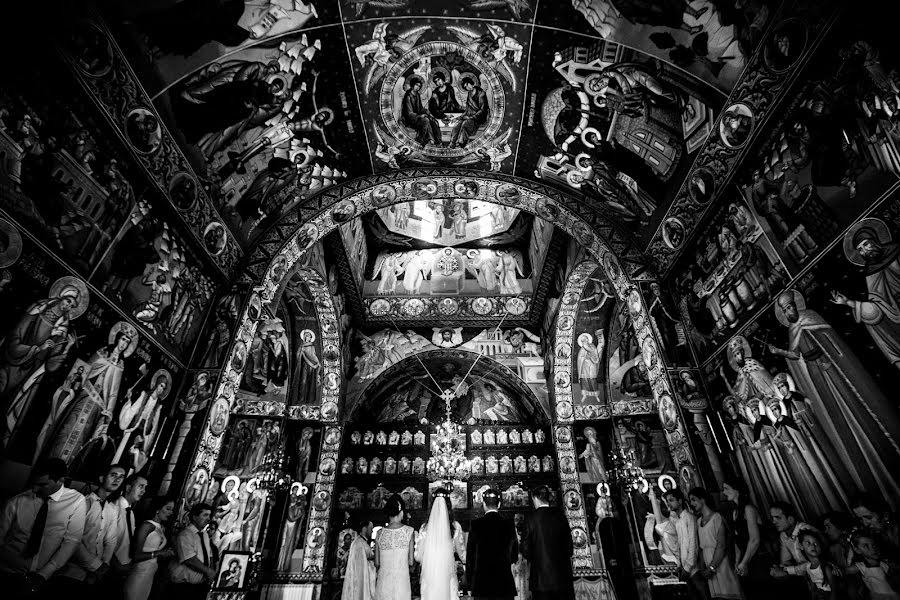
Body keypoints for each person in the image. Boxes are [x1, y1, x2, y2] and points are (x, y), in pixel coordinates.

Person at [0, 458, 87, 597]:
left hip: (41, 576)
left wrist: (44, 574)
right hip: (7, 570)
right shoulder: (17, 501)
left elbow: (71, 541)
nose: (34, 489)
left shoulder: (76, 501)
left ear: (60, 480)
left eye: (42, 485)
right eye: (34, 484)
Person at [58, 464, 126, 589]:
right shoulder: (84, 502)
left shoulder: (113, 509)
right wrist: (96, 566)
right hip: (73, 570)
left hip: (95, 575)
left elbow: (110, 540)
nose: (117, 480)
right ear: (101, 478)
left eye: (121, 477)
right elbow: (74, 539)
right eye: (113, 475)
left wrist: (104, 563)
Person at [521, 485, 574, 600]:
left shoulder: (530, 519)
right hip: (562, 577)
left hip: (540, 579)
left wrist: (536, 559)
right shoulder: (560, 516)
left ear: (535, 499)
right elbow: (570, 547)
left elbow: (525, 550)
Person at [689, 488, 744, 599]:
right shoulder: (699, 521)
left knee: (728, 594)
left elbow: (721, 545)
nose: (691, 503)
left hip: (720, 563)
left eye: (693, 500)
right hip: (708, 563)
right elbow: (701, 547)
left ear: (702, 499)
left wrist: (712, 568)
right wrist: (705, 567)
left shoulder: (716, 517)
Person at [466, 488, 517, 600]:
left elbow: (470, 557)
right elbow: (514, 555)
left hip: (481, 584)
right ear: (498, 504)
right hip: (504, 583)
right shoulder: (509, 525)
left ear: (484, 504)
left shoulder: (475, 525)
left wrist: (469, 584)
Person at [721, 479, 768, 597]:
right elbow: (737, 540)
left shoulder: (749, 509)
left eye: (726, 488)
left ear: (737, 490)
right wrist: (738, 561)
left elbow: (754, 540)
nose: (724, 492)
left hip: (758, 559)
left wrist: (744, 562)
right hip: (745, 560)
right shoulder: (735, 512)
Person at [416, 488, 463, 600]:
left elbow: (417, 556)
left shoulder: (424, 529)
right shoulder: (455, 527)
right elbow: (463, 555)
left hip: (429, 578)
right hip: (447, 576)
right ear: (448, 505)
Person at [125, 496, 176, 600]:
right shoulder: (147, 525)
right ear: (158, 509)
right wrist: (159, 553)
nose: (170, 513)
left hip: (150, 573)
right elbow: (135, 555)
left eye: (172, 510)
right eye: (168, 508)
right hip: (139, 572)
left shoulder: (161, 527)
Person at [769, 501, 821, 595]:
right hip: (807, 579)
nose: (773, 522)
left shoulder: (805, 530)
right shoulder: (783, 535)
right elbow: (785, 562)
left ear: (790, 519)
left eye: (778, 518)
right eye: (772, 518)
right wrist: (780, 569)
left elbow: (815, 563)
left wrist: (786, 571)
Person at [771, 529, 839, 600]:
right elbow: (813, 590)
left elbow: (834, 589)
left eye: (816, 543)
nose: (813, 546)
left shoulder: (825, 566)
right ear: (801, 546)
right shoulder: (808, 567)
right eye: (808, 543)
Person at [169, 503, 215, 600]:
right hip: (183, 587)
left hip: (200, 585)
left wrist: (210, 572)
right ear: (195, 517)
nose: (208, 519)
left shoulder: (205, 534)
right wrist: (208, 571)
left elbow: (209, 555)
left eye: (209, 515)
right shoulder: (185, 534)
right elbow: (189, 559)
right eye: (205, 515)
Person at [112, 473, 148, 591]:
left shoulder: (130, 513)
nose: (143, 491)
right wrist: (117, 566)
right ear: (128, 488)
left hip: (124, 568)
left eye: (145, 488)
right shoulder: (114, 507)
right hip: (111, 567)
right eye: (140, 486)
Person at [374, 495, 414, 600]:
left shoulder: (379, 533)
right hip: (402, 583)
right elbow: (410, 562)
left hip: (383, 583)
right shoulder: (409, 531)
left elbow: (377, 563)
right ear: (401, 512)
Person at [844, 528, 900, 600]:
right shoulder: (862, 567)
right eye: (866, 546)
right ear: (857, 550)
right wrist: (835, 568)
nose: (873, 549)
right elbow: (844, 571)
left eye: (874, 545)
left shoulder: (885, 563)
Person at [342, 517, 376, 600]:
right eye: (370, 528)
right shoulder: (359, 543)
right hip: (359, 582)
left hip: (362, 581)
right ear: (365, 528)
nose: (372, 531)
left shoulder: (361, 542)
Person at [450, 76, 489, 149]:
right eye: (465, 87)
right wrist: (459, 118)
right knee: (457, 124)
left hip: (479, 118)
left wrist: (471, 117)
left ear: (472, 83)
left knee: (465, 123)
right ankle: (452, 143)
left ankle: (461, 143)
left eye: (468, 85)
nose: (467, 88)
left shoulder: (481, 94)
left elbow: (483, 110)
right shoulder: (470, 94)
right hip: (470, 116)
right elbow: (467, 110)